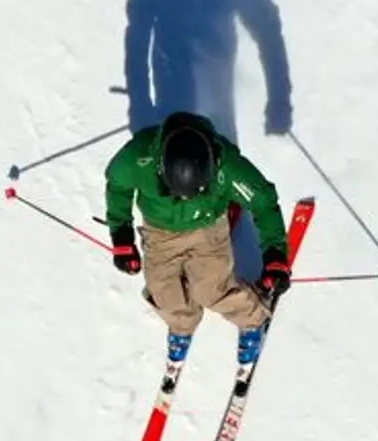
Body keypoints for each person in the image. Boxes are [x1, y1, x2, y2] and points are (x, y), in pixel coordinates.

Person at [103, 111, 292, 367]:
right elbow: (118, 186)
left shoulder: (228, 166)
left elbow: (263, 202)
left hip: (207, 229)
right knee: (162, 291)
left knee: (210, 290)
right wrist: (122, 236)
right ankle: (182, 325)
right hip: (160, 232)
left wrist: (275, 255)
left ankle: (252, 318)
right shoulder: (139, 158)